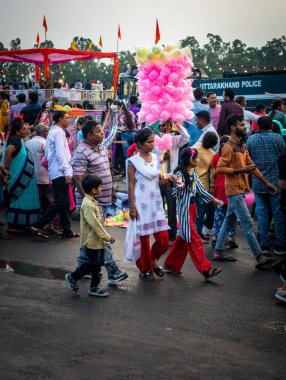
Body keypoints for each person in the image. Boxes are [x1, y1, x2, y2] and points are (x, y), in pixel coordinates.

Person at [213, 114, 276, 268]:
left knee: (228, 221)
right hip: (233, 191)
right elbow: (219, 169)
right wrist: (240, 170)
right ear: (233, 127)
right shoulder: (228, 146)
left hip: (240, 189)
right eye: (241, 125)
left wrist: (266, 183)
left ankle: (218, 251)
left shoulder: (242, 145)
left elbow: (252, 167)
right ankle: (259, 256)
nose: (245, 127)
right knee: (247, 223)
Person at [71, 120, 128, 285]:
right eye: (98, 131)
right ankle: (112, 271)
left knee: (90, 236)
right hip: (91, 203)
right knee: (101, 236)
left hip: (103, 198)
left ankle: (84, 268)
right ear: (89, 135)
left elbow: (107, 169)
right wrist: (88, 200)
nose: (102, 134)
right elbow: (78, 178)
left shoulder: (101, 147)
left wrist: (111, 190)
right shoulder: (81, 152)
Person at [164, 147, 222, 279]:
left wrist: (213, 200)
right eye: (196, 157)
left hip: (193, 208)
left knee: (183, 239)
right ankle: (206, 269)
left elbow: (200, 190)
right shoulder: (180, 173)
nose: (198, 159)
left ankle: (171, 265)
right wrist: (178, 185)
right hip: (185, 210)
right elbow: (174, 193)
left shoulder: (192, 172)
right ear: (190, 159)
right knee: (195, 239)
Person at [127, 128, 170, 280]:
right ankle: (145, 269)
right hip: (141, 202)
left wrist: (171, 178)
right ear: (139, 143)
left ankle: (152, 260)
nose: (153, 144)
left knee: (164, 239)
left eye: (153, 141)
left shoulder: (156, 157)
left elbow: (160, 179)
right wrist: (132, 207)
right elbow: (131, 184)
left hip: (156, 202)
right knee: (144, 240)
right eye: (149, 142)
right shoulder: (133, 162)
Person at [30, 111, 77, 239]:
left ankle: (67, 230)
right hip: (60, 171)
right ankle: (39, 224)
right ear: (60, 119)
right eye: (67, 118)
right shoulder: (58, 132)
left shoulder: (55, 131)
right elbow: (60, 154)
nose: (69, 120)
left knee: (64, 202)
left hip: (57, 170)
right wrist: (67, 172)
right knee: (60, 201)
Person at [65, 175, 114, 297]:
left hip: (98, 241)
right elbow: (95, 224)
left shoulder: (92, 201)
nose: (102, 188)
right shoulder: (87, 204)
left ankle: (92, 286)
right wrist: (107, 237)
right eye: (100, 186)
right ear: (94, 190)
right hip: (91, 241)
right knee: (94, 264)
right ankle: (74, 278)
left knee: (96, 264)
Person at [246, 116, 286, 254]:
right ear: (271, 126)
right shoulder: (278, 138)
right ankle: (280, 246)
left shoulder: (251, 139)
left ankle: (264, 246)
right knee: (278, 213)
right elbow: (282, 155)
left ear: (258, 126)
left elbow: (248, 158)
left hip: (258, 183)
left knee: (262, 214)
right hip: (274, 182)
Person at [2, 119, 40, 231]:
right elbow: (8, 151)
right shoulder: (16, 140)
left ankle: (20, 223)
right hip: (17, 175)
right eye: (23, 129)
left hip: (21, 175)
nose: (26, 131)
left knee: (20, 199)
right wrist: (7, 169)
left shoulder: (17, 138)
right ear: (17, 131)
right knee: (18, 198)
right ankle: (15, 224)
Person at [155, 120, 190, 242]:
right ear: (159, 127)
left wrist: (177, 124)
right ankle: (159, 234)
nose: (165, 128)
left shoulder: (175, 140)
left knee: (171, 208)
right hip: (157, 180)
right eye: (162, 125)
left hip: (171, 180)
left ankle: (171, 236)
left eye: (167, 125)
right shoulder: (155, 140)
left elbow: (186, 137)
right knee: (158, 208)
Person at [211, 136, 237, 248]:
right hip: (231, 187)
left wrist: (212, 187)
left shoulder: (216, 156)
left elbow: (213, 174)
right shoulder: (234, 156)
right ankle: (231, 237)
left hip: (219, 187)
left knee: (218, 213)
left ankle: (215, 236)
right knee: (232, 213)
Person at [193, 132, 218, 240]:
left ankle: (191, 233)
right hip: (204, 187)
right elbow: (212, 174)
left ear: (202, 139)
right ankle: (198, 233)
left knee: (191, 211)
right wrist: (212, 187)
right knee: (201, 212)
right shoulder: (212, 154)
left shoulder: (193, 149)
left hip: (191, 184)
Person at [25, 124, 52, 213]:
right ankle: (47, 213)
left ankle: (36, 211)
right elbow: (49, 159)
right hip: (43, 172)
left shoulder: (28, 142)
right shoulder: (44, 143)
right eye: (46, 131)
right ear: (42, 132)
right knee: (46, 195)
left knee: (34, 194)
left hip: (30, 172)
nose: (47, 133)